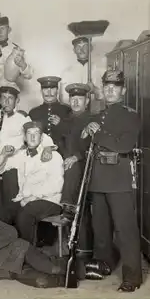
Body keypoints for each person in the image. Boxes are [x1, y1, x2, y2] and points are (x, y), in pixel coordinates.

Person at [82, 69, 142, 292]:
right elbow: (88, 142)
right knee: (101, 228)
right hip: (98, 178)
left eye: (114, 86)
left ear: (123, 90)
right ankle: (104, 264)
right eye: (106, 86)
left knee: (125, 230)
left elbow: (123, 146)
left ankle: (132, 277)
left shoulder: (130, 116)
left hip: (118, 179)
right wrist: (89, 129)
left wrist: (98, 134)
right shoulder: (97, 116)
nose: (109, 90)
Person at [0, 84, 55, 215]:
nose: (7, 101)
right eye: (4, 98)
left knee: (11, 187)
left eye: (10, 98)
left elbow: (37, 135)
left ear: (17, 101)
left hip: (12, 164)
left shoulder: (22, 118)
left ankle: (9, 224)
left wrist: (48, 147)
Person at [0, 121, 65, 244]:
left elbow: (56, 185)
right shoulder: (21, 155)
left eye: (36, 133)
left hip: (50, 201)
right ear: (24, 137)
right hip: (25, 200)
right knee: (2, 214)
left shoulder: (53, 155)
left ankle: (26, 254)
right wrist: (3, 155)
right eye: (29, 133)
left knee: (24, 215)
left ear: (41, 137)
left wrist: (33, 196)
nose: (32, 137)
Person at [57, 83, 95, 261]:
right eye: (73, 98)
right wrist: (64, 157)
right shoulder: (65, 120)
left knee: (74, 174)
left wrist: (76, 157)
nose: (76, 102)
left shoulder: (91, 119)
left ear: (87, 101)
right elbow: (62, 144)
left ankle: (68, 208)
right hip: (67, 164)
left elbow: (90, 146)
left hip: (85, 167)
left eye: (80, 99)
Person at [59, 36, 106, 114]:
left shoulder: (99, 71)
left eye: (85, 46)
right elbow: (63, 99)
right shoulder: (66, 72)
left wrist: (94, 90)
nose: (81, 50)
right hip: (74, 115)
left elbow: (105, 98)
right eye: (78, 47)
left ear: (90, 48)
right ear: (74, 50)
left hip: (94, 115)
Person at [28, 76, 71, 146]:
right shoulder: (33, 113)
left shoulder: (67, 110)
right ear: (41, 91)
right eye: (45, 89)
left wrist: (61, 124)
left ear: (57, 90)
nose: (49, 92)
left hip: (62, 154)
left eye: (52, 88)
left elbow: (74, 136)